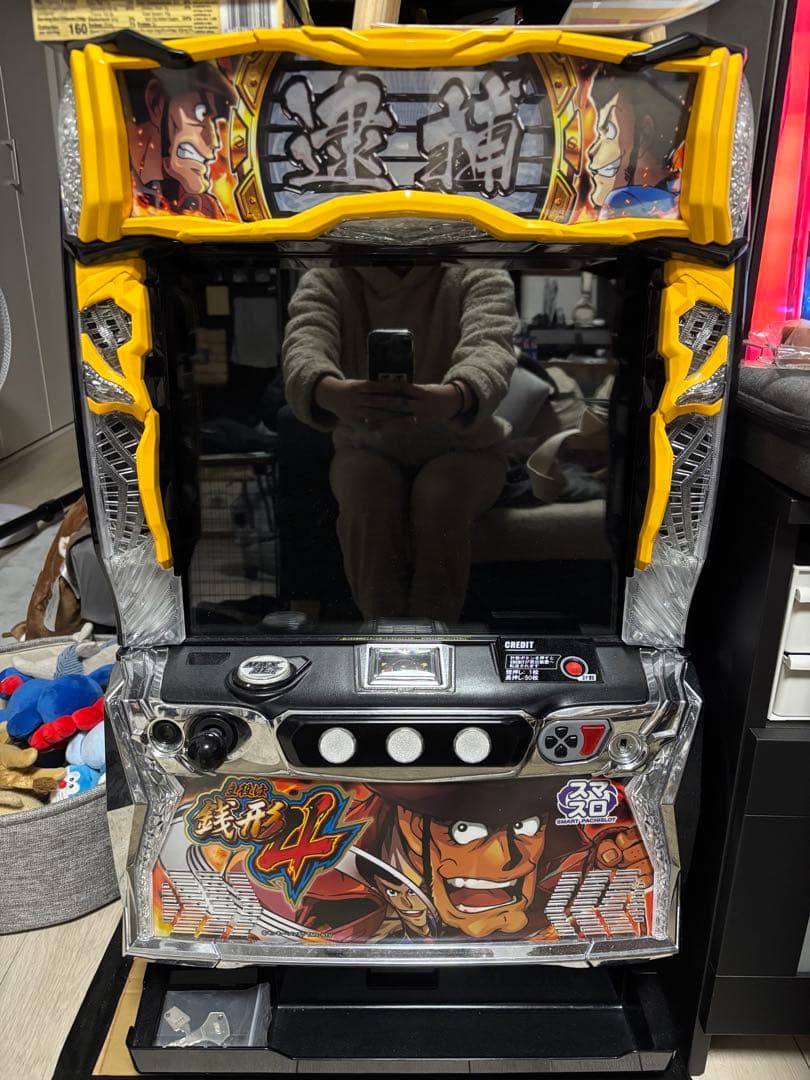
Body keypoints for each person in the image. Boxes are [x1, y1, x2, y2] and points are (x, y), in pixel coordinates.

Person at [281, 265, 517, 622]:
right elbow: (305, 342)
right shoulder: (328, 278)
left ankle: (417, 631)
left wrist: (456, 395)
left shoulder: (479, 272)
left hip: (465, 449)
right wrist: (327, 390)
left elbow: (490, 345)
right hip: (368, 446)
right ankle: (393, 630)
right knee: (366, 493)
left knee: (441, 493)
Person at [124, 61, 236, 218]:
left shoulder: (204, 207)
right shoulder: (121, 186)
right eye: (200, 114)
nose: (214, 143)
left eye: (213, 122)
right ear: (156, 103)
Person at [587, 67, 690, 219]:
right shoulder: (681, 196)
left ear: (644, 135)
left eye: (609, 131)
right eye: (596, 134)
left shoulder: (623, 201)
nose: (591, 151)